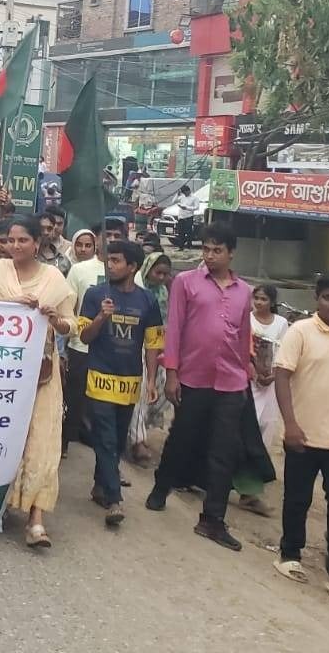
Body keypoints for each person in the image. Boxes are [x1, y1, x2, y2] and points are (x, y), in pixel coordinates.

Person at [145, 225, 253, 552]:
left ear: (231, 252)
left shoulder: (244, 292)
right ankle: (162, 486)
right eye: (206, 249)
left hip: (232, 380)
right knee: (182, 438)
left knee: (224, 450)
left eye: (217, 250)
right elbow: (174, 329)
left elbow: (244, 333)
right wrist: (172, 374)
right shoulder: (185, 283)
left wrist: (247, 372)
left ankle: (213, 519)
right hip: (194, 376)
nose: (210, 255)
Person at [0, 215, 77, 547]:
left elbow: (71, 326)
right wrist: (9, 305)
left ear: (37, 243)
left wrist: (53, 319)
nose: (15, 246)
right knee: (0, 436)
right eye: (10, 241)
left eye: (22, 241)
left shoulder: (55, 279)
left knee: (42, 442)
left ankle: (36, 519)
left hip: (43, 373)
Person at [271, 272, 329, 607]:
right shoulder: (300, 332)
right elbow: (282, 377)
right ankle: (289, 554)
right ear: (317, 298)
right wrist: (291, 424)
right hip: (303, 433)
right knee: (298, 498)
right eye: (328, 297)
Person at [79, 240, 163, 528]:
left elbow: (153, 343)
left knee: (116, 438)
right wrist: (101, 316)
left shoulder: (148, 301)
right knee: (106, 438)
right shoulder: (95, 295)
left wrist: (151, 380)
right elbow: (85, 337)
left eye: (116, 261)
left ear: (132, 267)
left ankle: (100, 486)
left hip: (129, 382)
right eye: (108, 259)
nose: (110, 265)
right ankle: (115, 499)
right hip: (99, 377)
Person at [239, 284, 291, 511]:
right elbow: (242, 348)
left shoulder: (281, 324)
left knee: (264, 431)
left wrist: (273, 375)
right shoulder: (246, 320)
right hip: (246, 380)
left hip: (270, 383)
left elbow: (284, 351)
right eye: (256, 298)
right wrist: (252, 369)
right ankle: (246, 491)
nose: (259, 303)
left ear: (272, 302)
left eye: (263, 299)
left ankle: (251, 487)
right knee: (242, 433)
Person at [127, 251, 175, 467]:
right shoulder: (137, 291)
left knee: (161, 391)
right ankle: (138, 442)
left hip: (159, 346)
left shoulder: (163, 292)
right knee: (141, 394)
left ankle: (139, 431)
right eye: (158, 272)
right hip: (138, 347)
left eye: (166, 274)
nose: (162, 278)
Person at [62, 228, 104, 451]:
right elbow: (68, 306)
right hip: (80, 344)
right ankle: (66, 439)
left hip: (111, 350)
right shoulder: (78, 270)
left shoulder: (130, 273)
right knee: (75, 396)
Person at [38, 207, 72, 276]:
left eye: (59, 224)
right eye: (42, 228)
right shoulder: (27, 254)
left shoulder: (71, 248)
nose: (55, 227)